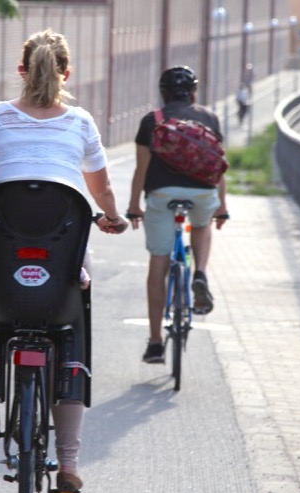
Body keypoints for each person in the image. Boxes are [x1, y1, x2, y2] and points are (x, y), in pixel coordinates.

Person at [0, 29, 127, 492]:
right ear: (66, 72)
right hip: (63, 254)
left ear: (21, 70)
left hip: (5, 253)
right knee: (71, 330)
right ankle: (67, 465)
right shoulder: (81, 123)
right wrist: (112, 217)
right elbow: (101, 189)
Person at [126, 65, 229, 364]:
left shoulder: (152, 120)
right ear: (193, 93)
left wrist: (134, 207)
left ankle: (156, 342)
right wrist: (221, 207)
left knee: (159, 260)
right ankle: (199, 273)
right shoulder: (209, 118)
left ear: (163, 93)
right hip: (203, 193)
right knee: (201, 224)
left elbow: (140, 170)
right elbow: (218, 166)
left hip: (161, 195)